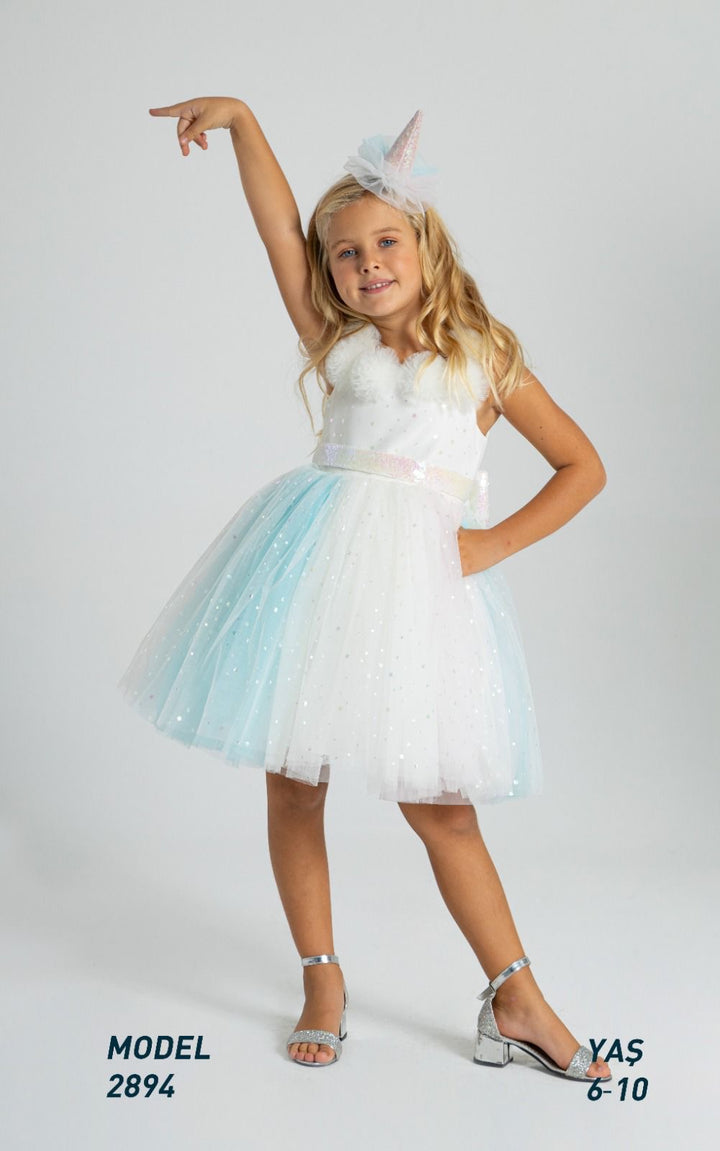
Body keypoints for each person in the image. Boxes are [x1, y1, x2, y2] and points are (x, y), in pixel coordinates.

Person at [119, 98, 610, 1081]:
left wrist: (488, 544)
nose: (367, 263)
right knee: (295, 782)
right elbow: (277, 229)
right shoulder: (335, 341)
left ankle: (516, 995)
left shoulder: (485, 357)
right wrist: (244, 123)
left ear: (426, 247)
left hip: (417, 598)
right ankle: (323, 977)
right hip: (312, 574)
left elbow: (583, 466)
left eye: (386, 242)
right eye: (345, 252)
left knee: (443, 809)